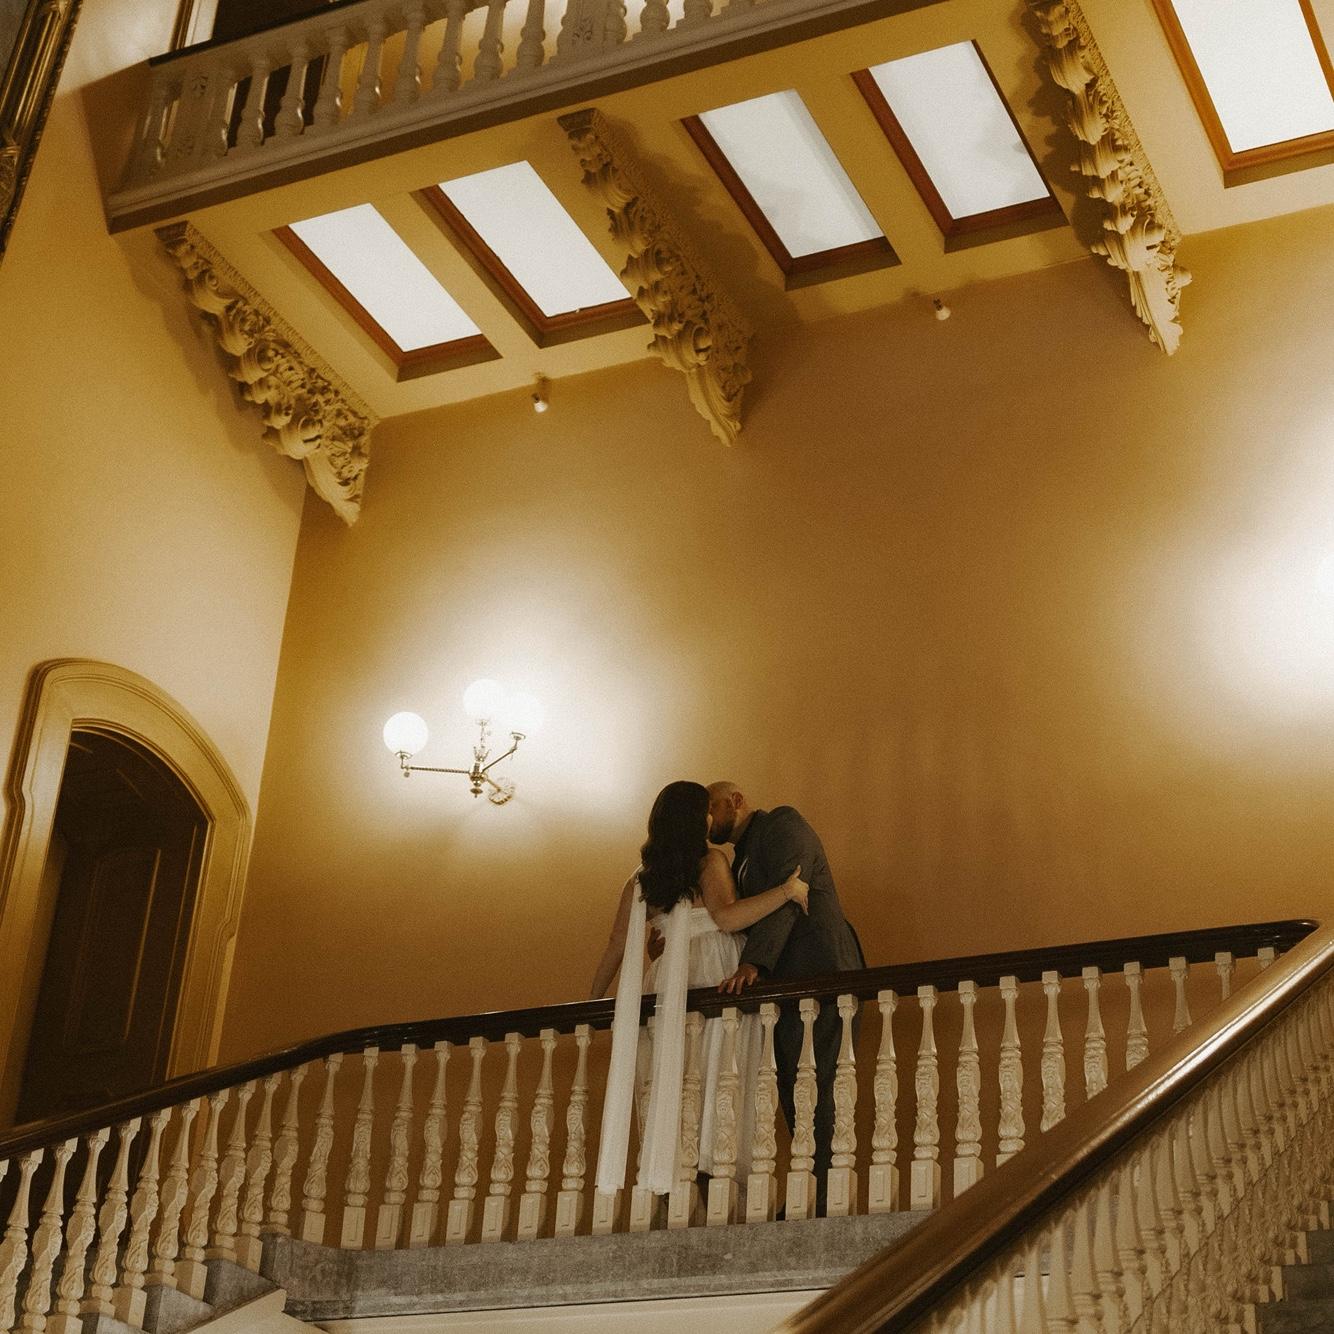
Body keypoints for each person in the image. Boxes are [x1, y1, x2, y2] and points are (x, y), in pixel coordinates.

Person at [590, 781, 809, 1201]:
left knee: (675, 1077)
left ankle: (677, 1176)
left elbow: (617, 943)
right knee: (719, 1073)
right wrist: (786, 891)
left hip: (667, 979)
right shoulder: (709, 860)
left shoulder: (641, 878)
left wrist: (593, 999)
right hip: (712, 968)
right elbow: (726, 918)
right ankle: (713, 1169)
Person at [710, 781, 865, 1214]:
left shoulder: (782, 824)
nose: (708, 818)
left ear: (737, 801)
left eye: (712, 806)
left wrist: (752, 964)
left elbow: (790, 893)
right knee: (793, 1088)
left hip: (821, 972)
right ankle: (810, 1192)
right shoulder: (739, 858)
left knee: (819, 1083)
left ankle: (827, 1198)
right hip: (784, 990)